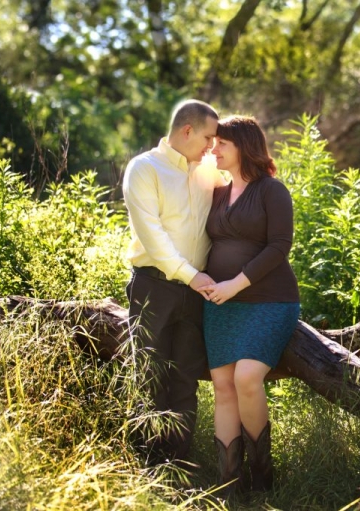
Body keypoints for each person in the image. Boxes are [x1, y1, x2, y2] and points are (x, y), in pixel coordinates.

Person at [198, 115, 300, 494]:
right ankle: (227, 484)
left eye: (222, 143)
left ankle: (262, 479)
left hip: (268, 301)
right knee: (222, 386)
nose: (215, 149)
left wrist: (235, 284)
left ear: (244, 145)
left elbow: (280, 246)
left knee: (246, 378)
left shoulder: (272, 190)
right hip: (220, 303)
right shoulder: (218, 193)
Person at [122, 99, 223, 464]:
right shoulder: (144, 169)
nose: (212, 146)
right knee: (148, 376)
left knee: (184, 380)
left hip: (196, 294)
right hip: (154, 286)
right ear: (187, 131)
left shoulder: (210, 169)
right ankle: (145, 466)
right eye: (209, 138)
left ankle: (178, 465)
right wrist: (193, 276)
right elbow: (153, 236)